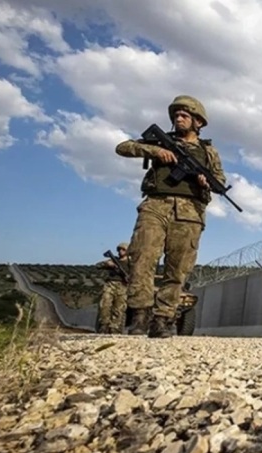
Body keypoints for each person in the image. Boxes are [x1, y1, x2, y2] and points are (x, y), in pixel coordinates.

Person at [114, 95, 227, 338]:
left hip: (190, 211)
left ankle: (163, 319)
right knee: (142, 257)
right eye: (176, 115)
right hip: (155, 205)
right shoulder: (162, 142)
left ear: (198, 121)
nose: (179, 118)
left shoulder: (208, 152)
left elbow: (220, 180)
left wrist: (206, 182)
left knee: (178, 269)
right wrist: (155, 151)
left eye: (185, 115)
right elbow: (123, 147)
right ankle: (140, 316)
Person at [95, 242, 129, 334]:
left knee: (119, 309)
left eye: (123, 249)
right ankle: (104, 326)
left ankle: (115, 329)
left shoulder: (131, 263)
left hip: (123, 286)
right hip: (110, 284)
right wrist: (107, 264)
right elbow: (97, 265)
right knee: (105, 305)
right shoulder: (114, 260)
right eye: (119, 249)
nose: (120, 251)